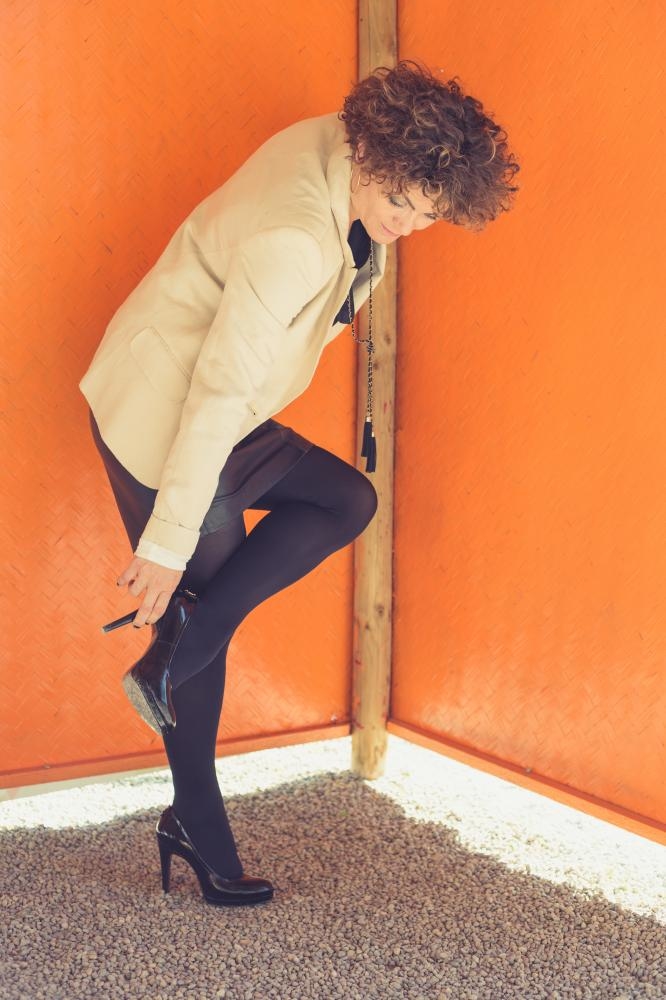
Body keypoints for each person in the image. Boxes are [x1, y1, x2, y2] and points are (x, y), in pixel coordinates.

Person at [80, 60, 520, 908]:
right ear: (373, 156)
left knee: (346, 500)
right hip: (167, 412)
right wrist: (167, 542)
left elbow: (241, 376)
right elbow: (215, 393)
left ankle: (181, 641)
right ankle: (197, 819)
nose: (407, 225)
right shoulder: (294, 238)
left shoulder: (345, 142)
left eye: (428, 214)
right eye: (401, 203)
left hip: (218, 402)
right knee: (197, 603)